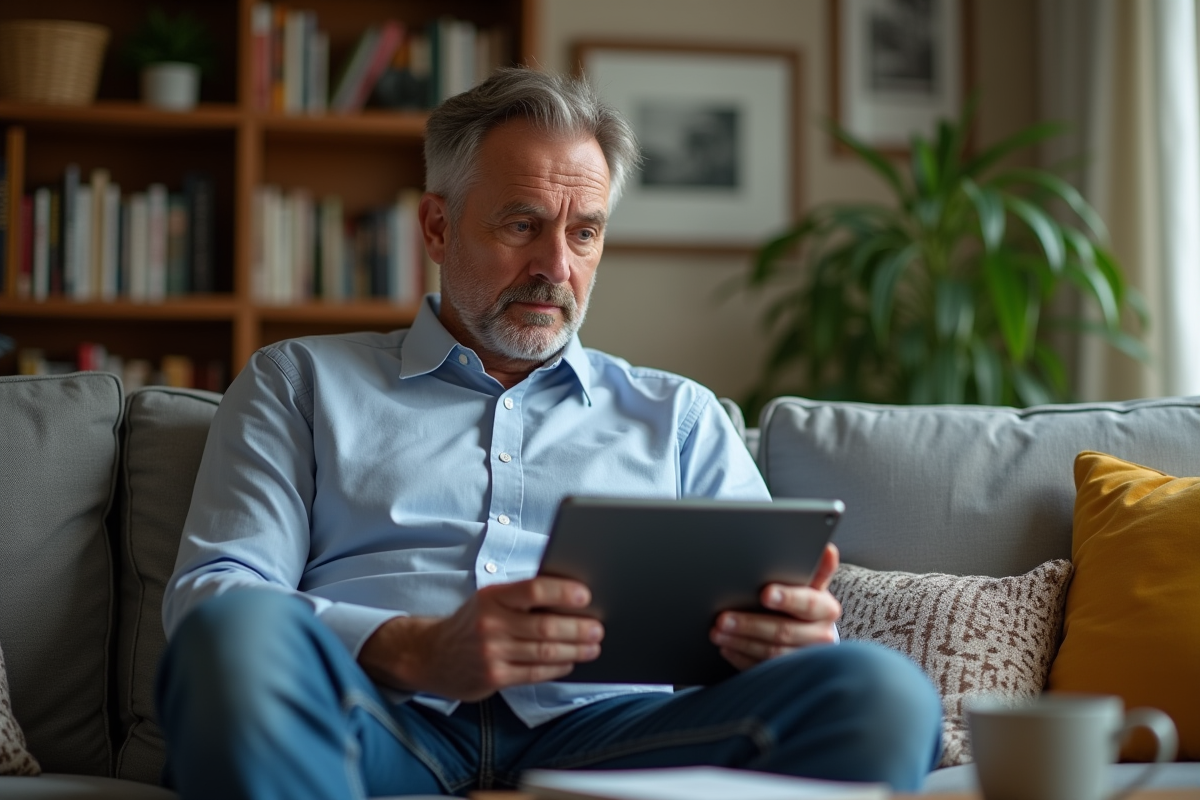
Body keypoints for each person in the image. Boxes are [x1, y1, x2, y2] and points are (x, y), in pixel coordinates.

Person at [156, 67, 943, 800]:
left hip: (619, 737)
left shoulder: (681, 417)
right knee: (234, 634)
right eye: (522, 224)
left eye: (584, 233)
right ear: (437, 227)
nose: (555, 267)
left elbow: (765, 627)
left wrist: (786, 637)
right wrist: (418, 648)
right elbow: (211, 593)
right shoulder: (298, 382)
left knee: (880, 693)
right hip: (377, 721)